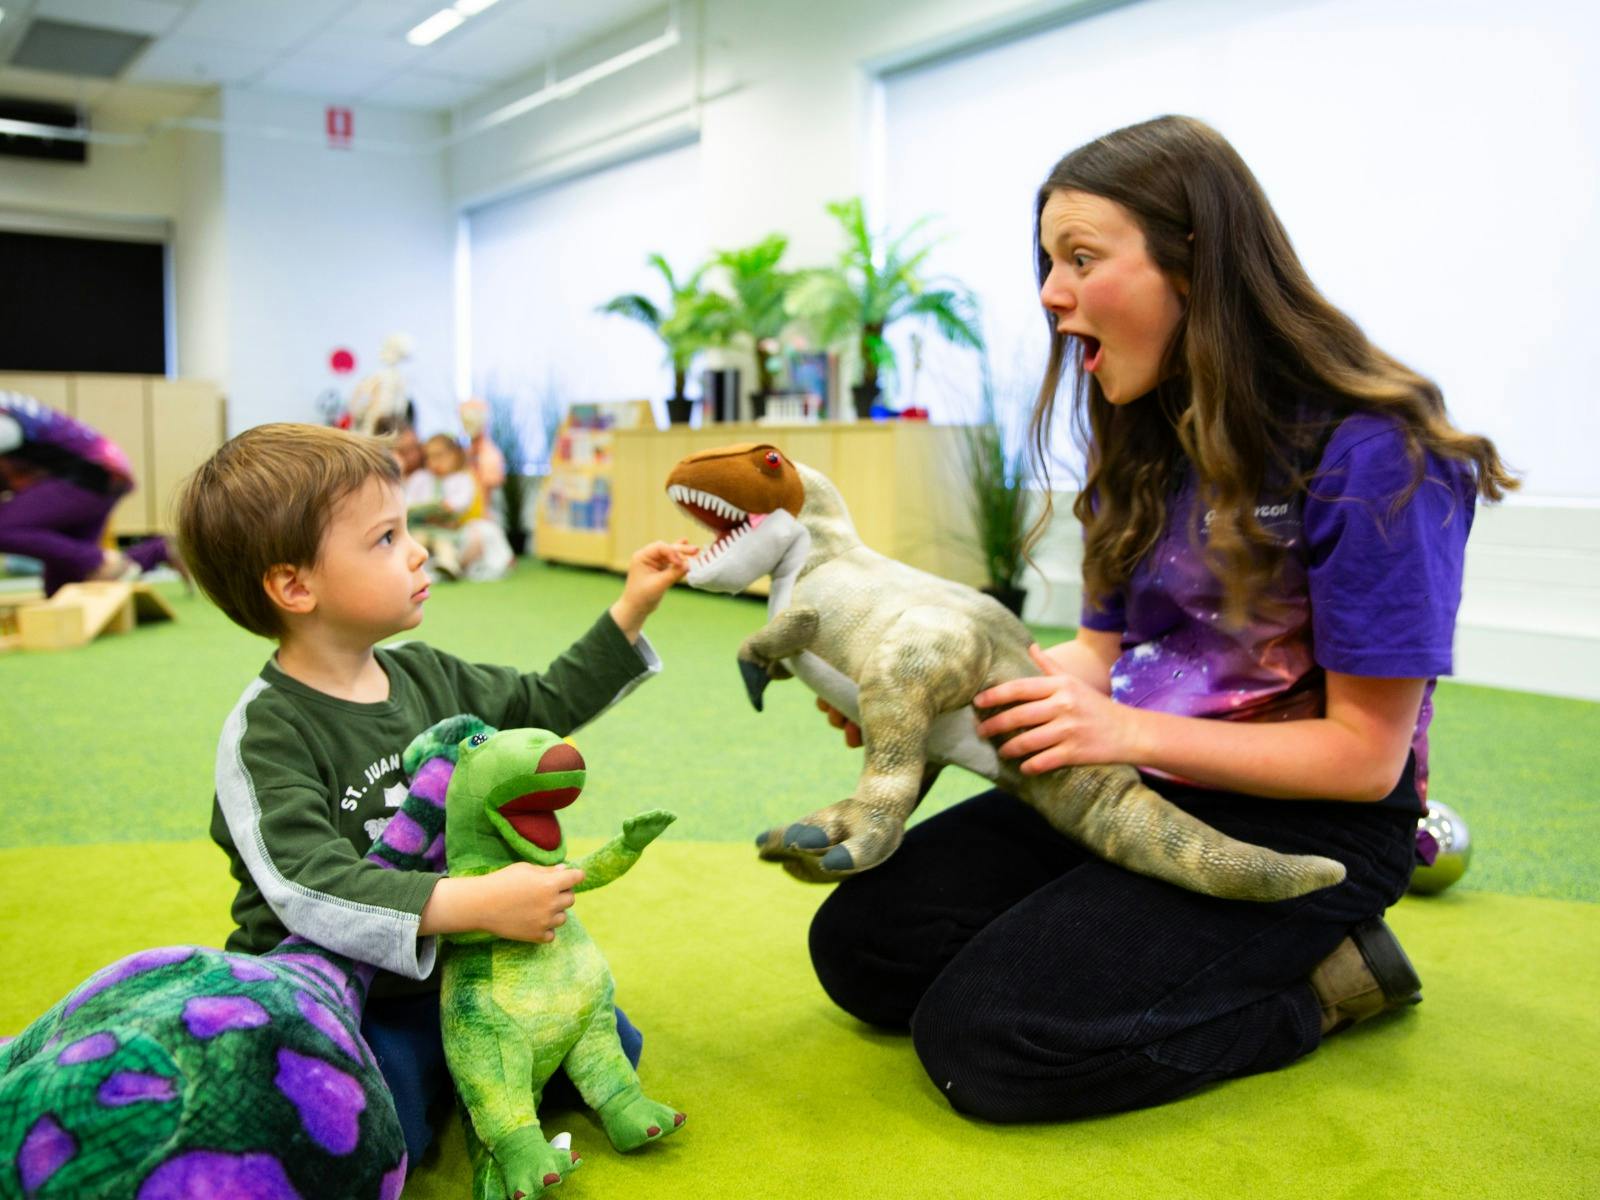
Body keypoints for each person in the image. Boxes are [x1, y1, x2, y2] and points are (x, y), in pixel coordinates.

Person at [808, 115, 1515, 1122]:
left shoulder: (1374, 454)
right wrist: (941, 694)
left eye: (1080, 258)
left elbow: (1364, 758)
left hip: (1309, 828)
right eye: (1047, 261)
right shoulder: (1140, 435)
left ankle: (1327, 983)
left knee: (986, 1044)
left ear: (1196, 264)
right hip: (1127, 785)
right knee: (862, 950)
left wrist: (1124, 733)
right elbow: (1100, 658)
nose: (1050, 293)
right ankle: (1119, 947)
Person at [174, 422, 696, 1165]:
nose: (418, 550)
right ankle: (443, 1086)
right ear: (296, 586)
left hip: (457, 976)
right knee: (375, 1126)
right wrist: (472, 906)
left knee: (613, 1037)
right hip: (345, 995)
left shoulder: (426, 675)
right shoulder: (266, 731)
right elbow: (305, 885)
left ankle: (473, 1074)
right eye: (386, 538)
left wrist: (631, 609)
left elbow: (540, 703)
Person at [0, 391, 181, 595]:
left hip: (89, 475)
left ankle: (99, 560)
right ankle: (159, 551)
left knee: (90, 563)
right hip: (99, 475)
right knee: (62, 588)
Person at [407, 433, 513, 582]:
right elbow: (408, 501)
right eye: (428, 457)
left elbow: (462, 503)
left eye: (439, 456)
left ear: (454, 456)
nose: (433, 462)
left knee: (444, 544)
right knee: (417, 541)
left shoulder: (462, 479)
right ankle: (411, 570)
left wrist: (447, 508)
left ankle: (448, 566)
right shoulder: (420, 478)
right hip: (422, 527)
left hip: (448, 529)